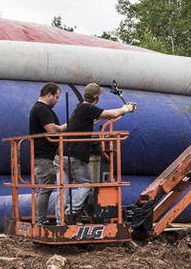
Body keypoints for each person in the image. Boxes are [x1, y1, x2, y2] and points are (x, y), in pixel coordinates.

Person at [57, 83, 136, 222]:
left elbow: (70, 125)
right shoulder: (88, 108)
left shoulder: (79, 108)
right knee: (86, 184)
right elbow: (111, 114)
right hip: (74, 156)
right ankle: (71, 211)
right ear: (97, 97)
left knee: (62, 189)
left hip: (61, 155)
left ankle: (60, 222)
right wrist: (126, 108)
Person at [28, 82, 66, 225]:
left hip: (45, 154)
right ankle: (40, 221)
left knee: (45, 187)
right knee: (45, 187)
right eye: (56, 97)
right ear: (49, 95)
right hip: (43, 155)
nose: (57, 100)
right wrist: (65, 127)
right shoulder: (42, 109)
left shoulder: (40, 109)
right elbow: (52, 130)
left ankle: (41, 219)